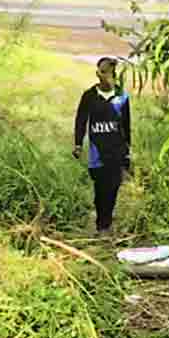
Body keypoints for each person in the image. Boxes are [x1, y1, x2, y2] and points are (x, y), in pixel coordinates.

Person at [73, 56, 131, 234]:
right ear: (97, 73)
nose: (104, 76)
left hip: (116, 150)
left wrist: (128, 150)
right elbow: (81, 120)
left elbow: (127, 124)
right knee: (100, 188)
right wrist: (78, 144)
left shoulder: (122, 96)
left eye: (108, 73)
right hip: (97, 151)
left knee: (114, 186)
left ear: (114, 74)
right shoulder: (89, 96)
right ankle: (101, 222)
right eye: (101, 72)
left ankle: (106, 222)